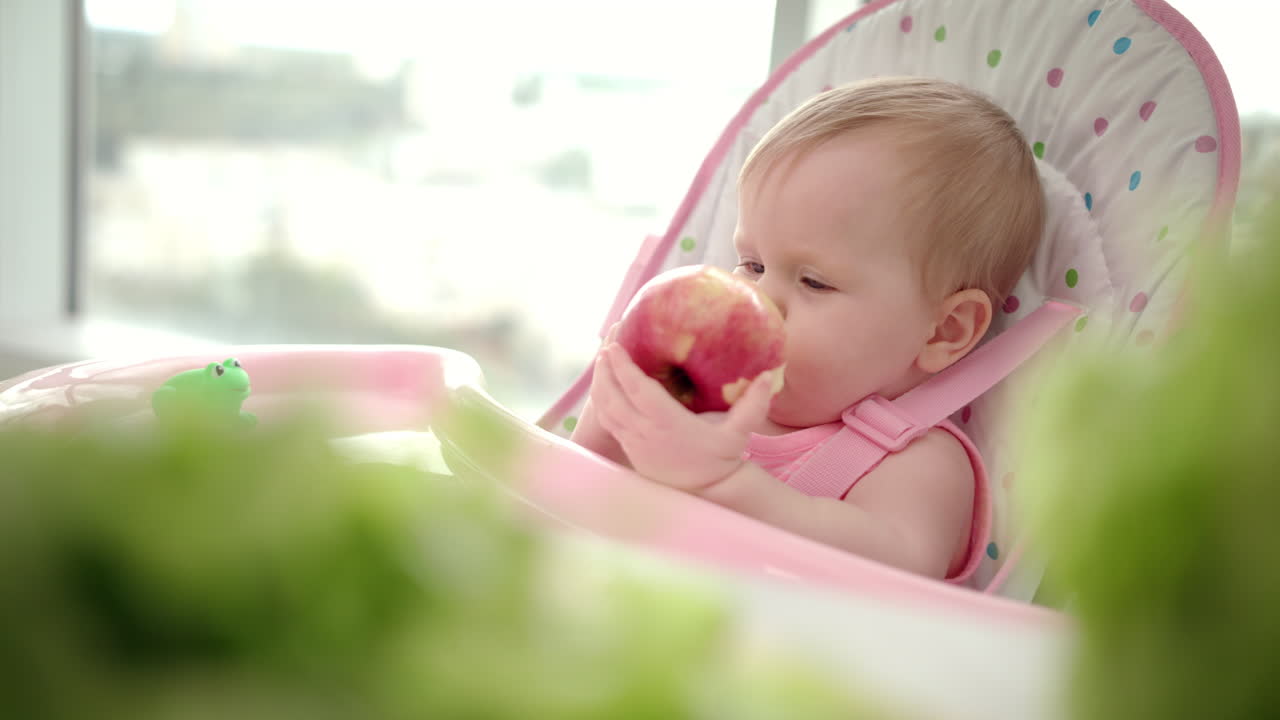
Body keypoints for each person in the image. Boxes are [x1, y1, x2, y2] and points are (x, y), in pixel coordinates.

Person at [570, 76, 1043, 582]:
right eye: (751, 265)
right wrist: (609, 424)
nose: (757, 299)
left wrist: (726, 482)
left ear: (944, 331)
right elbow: (571, 507)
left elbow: (900, 571)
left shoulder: (914, 463)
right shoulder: (703, 408)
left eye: (814, 282)